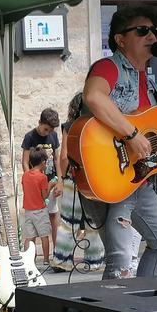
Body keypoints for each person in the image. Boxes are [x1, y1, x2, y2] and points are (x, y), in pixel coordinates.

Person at [82, 5, 157, 279]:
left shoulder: (147, 82)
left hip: (140, 178)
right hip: (113, 176)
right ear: (120, 39)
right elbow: (94, 97)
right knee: (121, 261)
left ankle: (141, 303)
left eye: (154, 31)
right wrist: (132, 134)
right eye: (142, 31)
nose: (152, 36)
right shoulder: (109, 67)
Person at [52, 93, 105, 272]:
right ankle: (95, 260)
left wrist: (63, 177)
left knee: (68, 220)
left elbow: (65, 156)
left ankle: (62, 260)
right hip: (94, 178)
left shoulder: (69, 126)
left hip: (73, 177)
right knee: (94, 221)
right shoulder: (97, 124)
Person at [22, 108, 63, 244]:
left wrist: (59, 181)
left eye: (51, 131)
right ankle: (30, 253)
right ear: (39, 122)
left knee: (52, 214)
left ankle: (56, 249)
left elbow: (57, 159)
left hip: (50, 181)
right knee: (33, 218)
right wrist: (30, 180)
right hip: (36, 184)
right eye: (46, 129)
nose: (48, 133)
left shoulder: (53, 137)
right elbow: (25, 161)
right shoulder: (30, 137)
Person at [20, 150, 52, 264]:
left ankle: (28, 260)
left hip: (28, 211)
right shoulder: (42, 177)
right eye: (46, 162)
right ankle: (46, 260)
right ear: (43, 162)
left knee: (29, 237)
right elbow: (45, 196)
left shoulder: (25, 175)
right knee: (44, 236)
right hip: (40, 210)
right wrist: (51, 185)